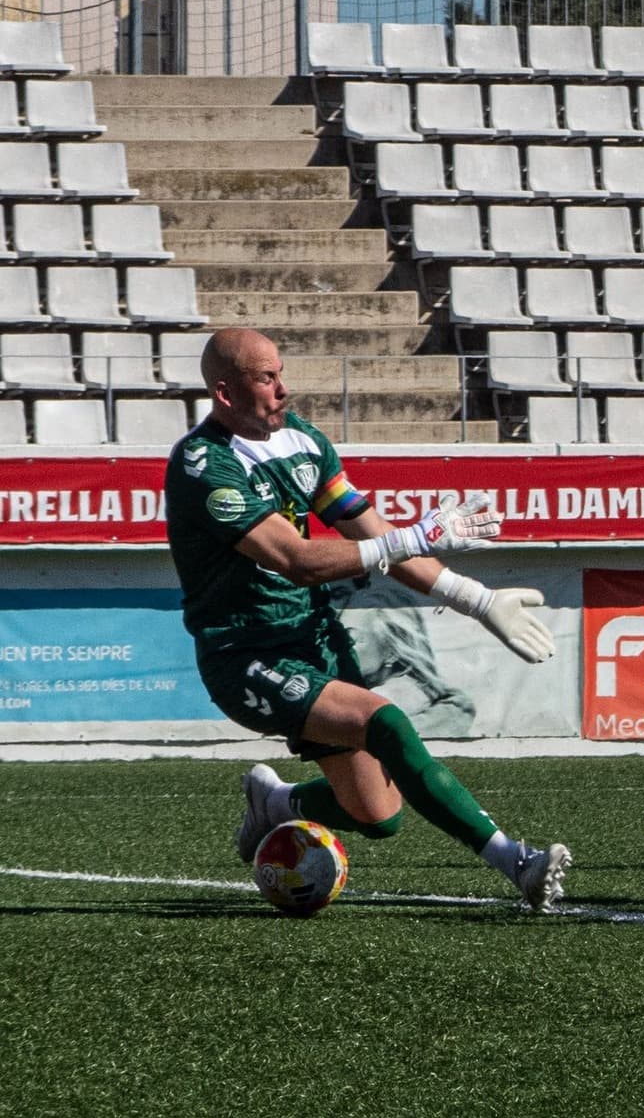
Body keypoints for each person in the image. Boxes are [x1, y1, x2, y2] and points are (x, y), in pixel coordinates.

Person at [164, 328, 572, 911]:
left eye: (282, 372)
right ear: (225, 393)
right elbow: (297, 560)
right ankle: (517, 862)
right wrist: (416, 534)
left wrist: (477, 600)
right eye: (267, 378)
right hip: (246, 655)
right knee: (389, 723)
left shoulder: (303, 440)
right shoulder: (204, 464)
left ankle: (277, 804)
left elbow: (374, 535)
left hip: (315, 639)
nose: (284, 389)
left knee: (378, 817)